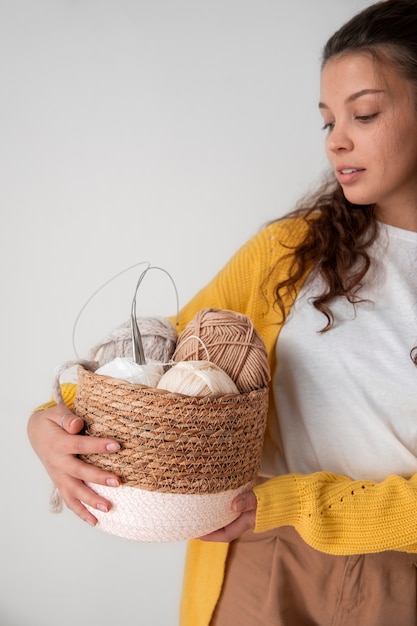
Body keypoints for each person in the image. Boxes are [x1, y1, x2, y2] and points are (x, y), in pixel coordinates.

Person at [27, 0, 417, 623]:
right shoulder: (292, 252)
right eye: (326, 121)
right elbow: (164, 366)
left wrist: (299, 504)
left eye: (364, 113)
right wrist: (55, 420)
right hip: (263, 557)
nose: (337, 139)